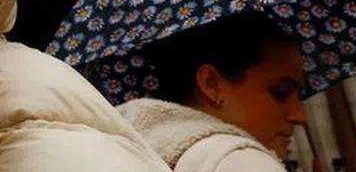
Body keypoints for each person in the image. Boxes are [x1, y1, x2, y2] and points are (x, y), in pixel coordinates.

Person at [118, 12, 308, 172]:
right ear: (211, 84)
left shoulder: (126, 157)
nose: (299, 116)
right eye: (281, 92)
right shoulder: (240, 160)